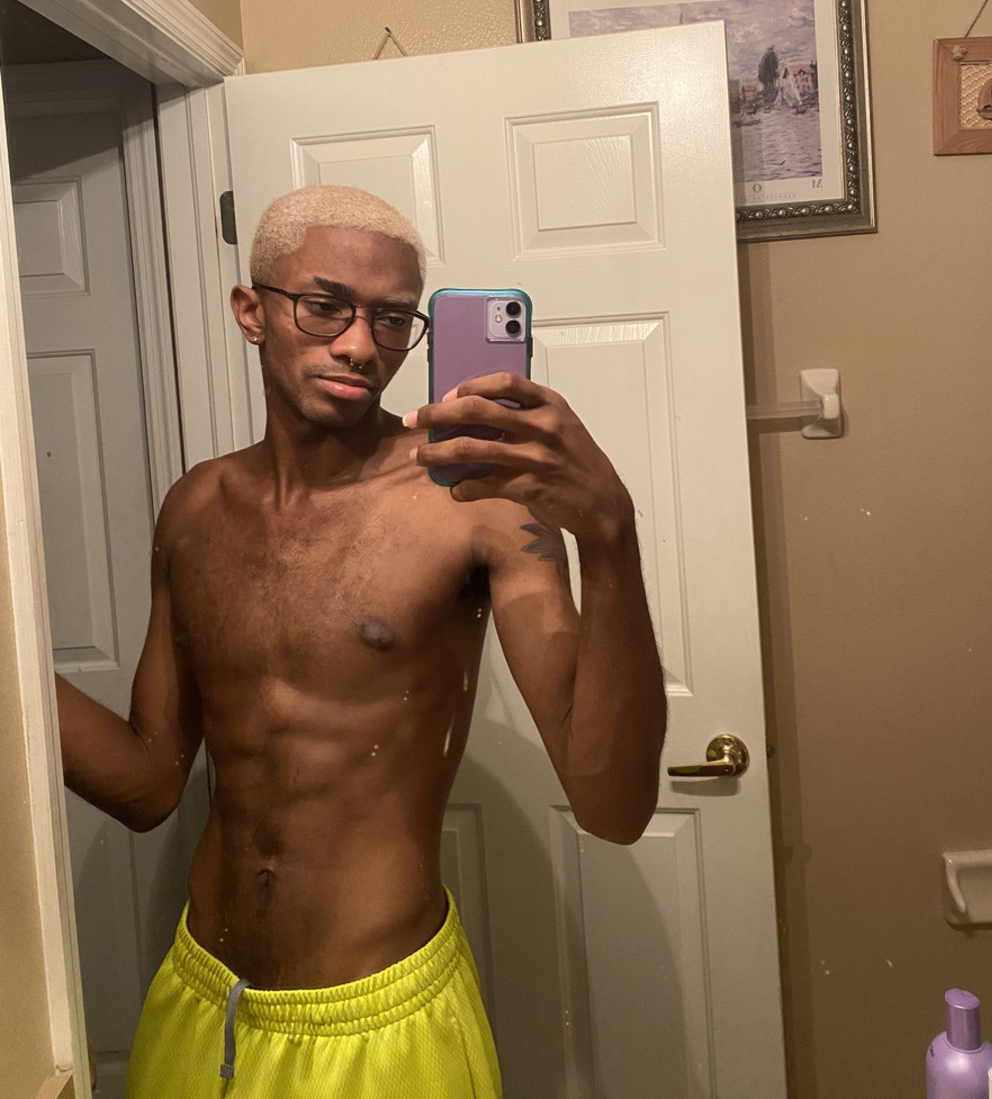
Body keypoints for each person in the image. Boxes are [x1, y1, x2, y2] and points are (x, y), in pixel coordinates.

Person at [55, 184, 666, 1099]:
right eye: (325, 305)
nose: (359, 345)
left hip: (382, 1028)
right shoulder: (194, 510)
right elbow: (147, 783)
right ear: (251, 311)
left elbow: (614, 807)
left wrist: (611, 536)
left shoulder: (481, 507)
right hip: (201, 1000)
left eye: (391, 318)